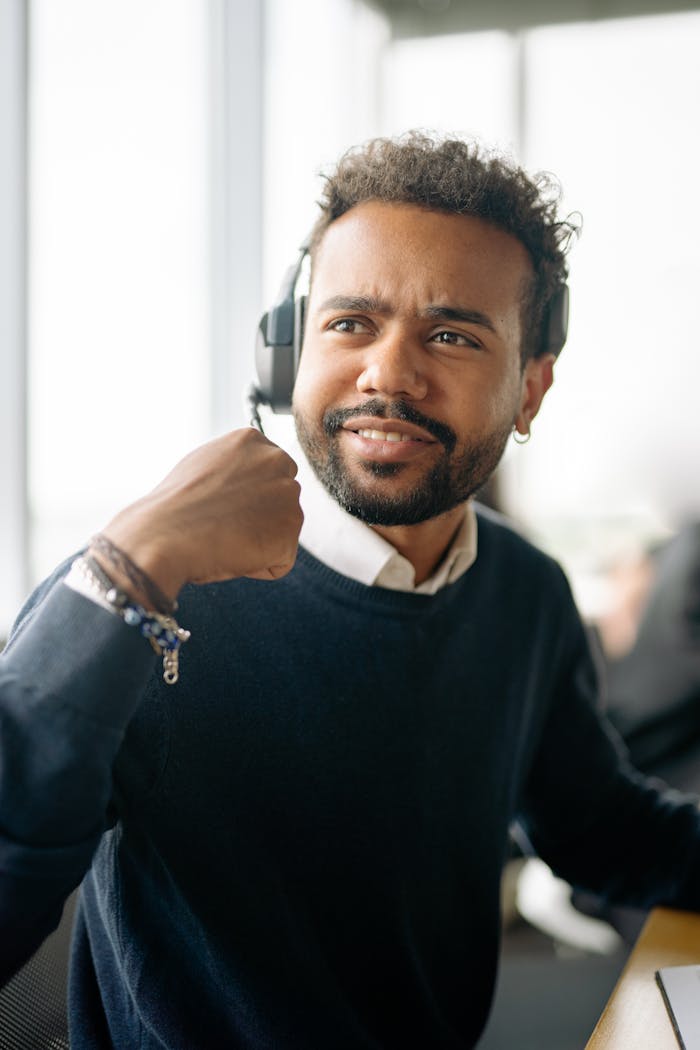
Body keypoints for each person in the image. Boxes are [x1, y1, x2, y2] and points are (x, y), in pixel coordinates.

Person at [2, 132, 700, 1050]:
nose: (389, 373)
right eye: (350, 323)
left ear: (530, 388)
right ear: (287, 355)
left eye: (451, 335)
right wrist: (131, 561)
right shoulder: (143, 596)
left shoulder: (523, 595)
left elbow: (602, 829)